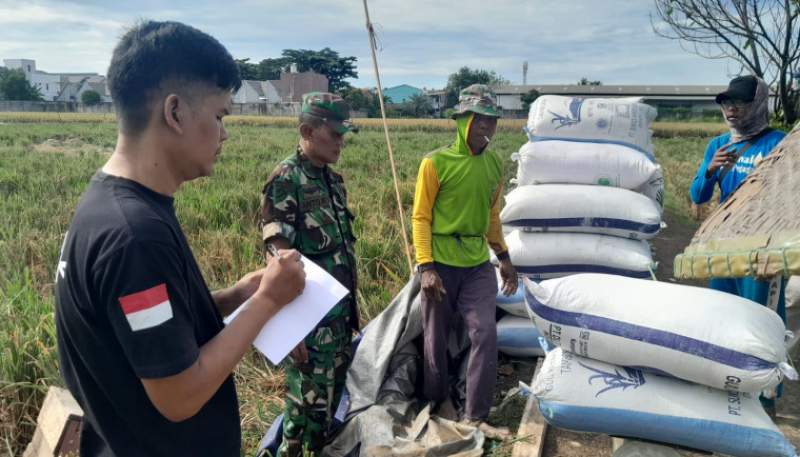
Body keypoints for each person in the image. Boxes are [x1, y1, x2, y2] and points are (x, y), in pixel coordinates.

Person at [54, 21, 306, 456]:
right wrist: (267, 301)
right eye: (220, 115)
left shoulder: (113, 207)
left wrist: (235, 297)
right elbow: (179, 396)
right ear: (175, 112)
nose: (225, 133)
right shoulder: (135, 237)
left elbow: (149, 328)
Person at [411, 84, 518, 438]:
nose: (487, 127)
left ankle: (475, 415)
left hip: (475, 262)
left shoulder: (494, 164)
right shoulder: (435, 163)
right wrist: (426, 266)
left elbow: (491, 215)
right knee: (435, 336)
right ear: (462, 121)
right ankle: (436, 400)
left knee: (484, 332)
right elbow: (421, 217)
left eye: (492, 121)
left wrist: (503, 256)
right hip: (439, 262)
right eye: (480, 120)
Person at [258, 92, 359, 456]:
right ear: (307, 130)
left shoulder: (334, 181)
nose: (340, 142)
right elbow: (278, 259)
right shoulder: (286, 180)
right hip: (310, 327)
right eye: (334, 134)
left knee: (327, 412)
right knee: (302, 415)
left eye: (343, 135)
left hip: (339, 321)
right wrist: (288, 325)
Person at [689, 74, 787, 413]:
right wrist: (711, 171)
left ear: (758, 104)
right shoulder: (718, 145)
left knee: (760, 321)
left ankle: (763, 398)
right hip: (724, 247)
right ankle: (725, 386)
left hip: (763, 249)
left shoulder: (780, 143)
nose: (731, 109)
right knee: (722, 317)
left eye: (741, 103)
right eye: (727, 103)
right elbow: (698, 195)